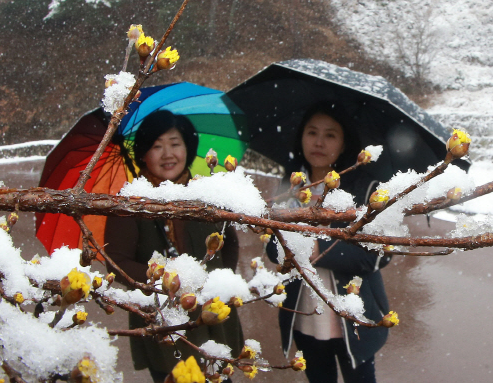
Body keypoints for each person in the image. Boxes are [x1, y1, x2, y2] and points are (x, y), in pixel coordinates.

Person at [105, 110, 244, 382]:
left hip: (212, 312)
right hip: (165, 320)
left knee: (219, 374)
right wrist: (163, 279)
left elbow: (229, 245)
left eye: (175, 143)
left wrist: (214, 284)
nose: (167, 154)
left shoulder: (207, 195)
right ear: (144, 153)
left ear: (188, 149)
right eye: (157, 146)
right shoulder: (131, 202)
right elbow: (116, 261)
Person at [266, 102, 391, 383]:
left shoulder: (366, 190)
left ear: (345, 142)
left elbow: (377, 254)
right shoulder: (290, 187)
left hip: (353, 315)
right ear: (301, 138)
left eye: (330, 135)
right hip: (305, 314)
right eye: (312, 132)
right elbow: (272, 248)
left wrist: (313, 249)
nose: (319, 142)